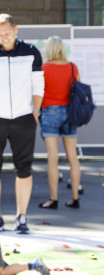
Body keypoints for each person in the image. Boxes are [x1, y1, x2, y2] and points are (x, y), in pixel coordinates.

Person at [0, 14, 44, 234]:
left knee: (24, 168)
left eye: (7, 33)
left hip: (23, 117)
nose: (4, 37)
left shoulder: (31, 52)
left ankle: (21, 217)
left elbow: (38, 84)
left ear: (16, 30)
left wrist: (35, 111)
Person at [38, 35, 81, 210]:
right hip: (70, 113)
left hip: (50, 112)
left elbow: (39, 93)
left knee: (53, 159)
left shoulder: (44, 68)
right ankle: (75, 197)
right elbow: (78, 90)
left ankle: (53, 199)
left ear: (49, 49)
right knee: (73, 157)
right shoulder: (72, 67)